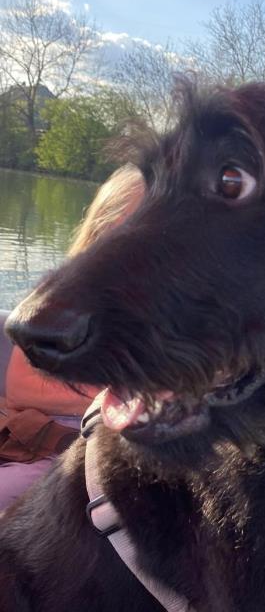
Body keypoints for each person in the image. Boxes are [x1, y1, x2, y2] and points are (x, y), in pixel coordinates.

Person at [0, 164, 145, 510]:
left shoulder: (182, 321)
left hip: (86, 456)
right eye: (120, 233)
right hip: (33, 432)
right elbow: (21, 386)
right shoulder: (59, 295)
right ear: (98, 230)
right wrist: (117, 398)